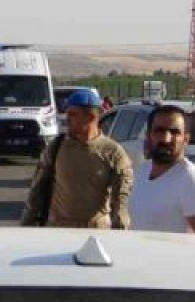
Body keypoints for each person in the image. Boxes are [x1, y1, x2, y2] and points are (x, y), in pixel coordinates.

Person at [22, 88, 133, 229]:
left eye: (73, 114)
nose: (67, 119)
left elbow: (121, 197)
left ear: (91, 117)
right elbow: (36, 191)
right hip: (58, 230)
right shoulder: (56, 147)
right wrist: (27, 224)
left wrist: (120, 228)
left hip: (95, 232)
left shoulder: (113, 152)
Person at [128, 104, 195, 234]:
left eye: (174, 132)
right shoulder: (142, 171)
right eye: (159, 131)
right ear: (149, 135)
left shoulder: (191, 181)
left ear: (186, 139)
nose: (166, 139)